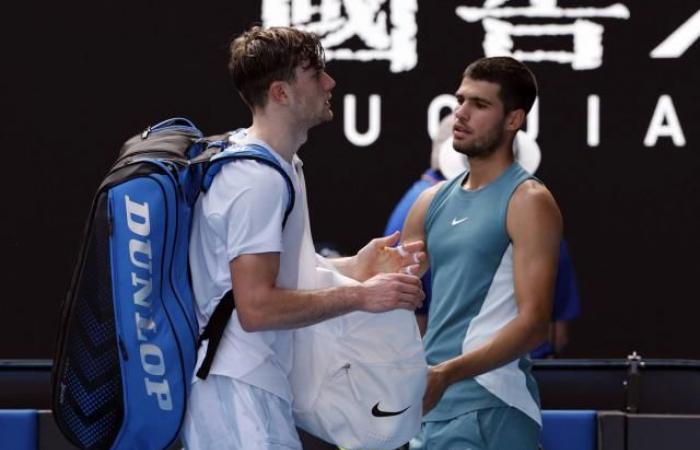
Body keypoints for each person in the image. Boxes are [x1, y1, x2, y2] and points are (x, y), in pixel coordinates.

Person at [183, 26, 425, 450]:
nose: (329, 83)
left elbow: (271, 272)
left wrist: (356, 266)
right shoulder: (256, 180)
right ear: (281, 93)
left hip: (255, 385)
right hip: (236, 391)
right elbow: (256, 305)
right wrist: (362, 296)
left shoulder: (280, 165)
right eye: (315, 74)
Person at [401, 56, 562, 450]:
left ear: (514, 120)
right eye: (461, 100)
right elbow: (387, 294)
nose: (461, 113)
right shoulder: (429, 201)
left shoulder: (529, 201)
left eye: (480, 104)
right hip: (428, 410)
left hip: (494, 407)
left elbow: (535, 324)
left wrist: (446, 373)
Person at [386, 116, 580, 358]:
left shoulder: (418, 203)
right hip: (480, 372)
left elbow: (406, 323)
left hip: (461, 372)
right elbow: (556, 331)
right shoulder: (428, 207)